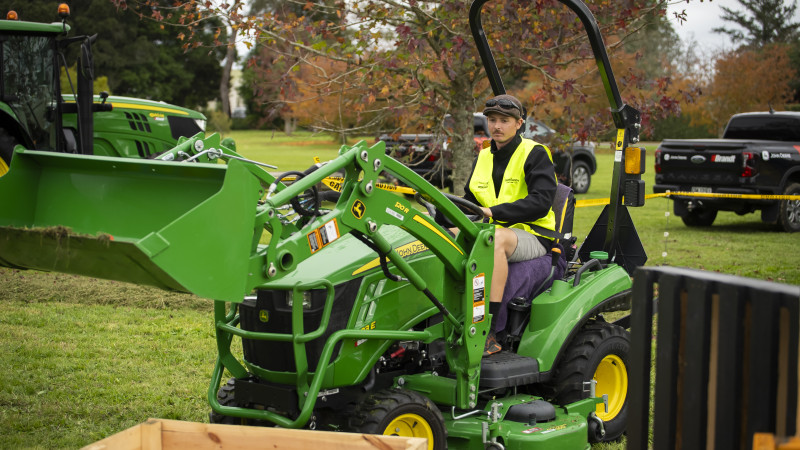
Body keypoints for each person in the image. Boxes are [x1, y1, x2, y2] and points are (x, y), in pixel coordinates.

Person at [463, 94, 557, 355]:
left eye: (505, 120)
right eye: (492, 120)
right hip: (492, 229)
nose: (497, 126)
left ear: (519, 124)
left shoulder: (535, 153)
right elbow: (470, 201)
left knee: (495, 241)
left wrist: (492, 212)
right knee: (446, 234)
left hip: (534, 235)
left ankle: (488, 329)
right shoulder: (483, 157)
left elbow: (541, 202)